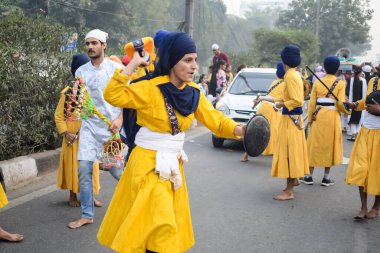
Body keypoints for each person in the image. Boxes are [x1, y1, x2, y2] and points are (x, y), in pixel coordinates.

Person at [97, 32, 245, 253]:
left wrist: (240, 130)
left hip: (173, 166)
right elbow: (113, 94)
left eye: (195, 59)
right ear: (171, 61)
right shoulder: (150, 88)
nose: (194, 66)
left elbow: (216, 120)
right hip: (147, 167)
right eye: (187, 60)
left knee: (152, 228)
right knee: (163, 224)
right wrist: (133, 65)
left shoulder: (194, 93)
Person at [67, 29, 124, 229]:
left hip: (111, 129)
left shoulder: (117, 69)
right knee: (83, 168)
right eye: (88, 44)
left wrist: (120, 118)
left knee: (118, 172)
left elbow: (128, 96)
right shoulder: (81, 71)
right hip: (90, 127)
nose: (90, 47)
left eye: (94, 43)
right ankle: (87, 214)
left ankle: (134, 205)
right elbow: (79, 100)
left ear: (104, 45)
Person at [260, 45, 309, 200]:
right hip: (292, 119)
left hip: (291, 119)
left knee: (289, 152)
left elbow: (296, 100)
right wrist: (269, 99)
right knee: (292, 150)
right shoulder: (295, 74)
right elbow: (285, 97)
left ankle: (288, 191)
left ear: (284, 60)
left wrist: (280, 105)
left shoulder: (290, 76)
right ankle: (294, 180)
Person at [55, 54, 101, 207]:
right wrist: (66, 132)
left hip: (89, 134)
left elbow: (96, 112)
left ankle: (90, 196)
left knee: (91, 166)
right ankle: (72, 195)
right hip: (72, 137)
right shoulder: (67, 92)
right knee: (73, 167)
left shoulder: (90, 90)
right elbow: (58, 116)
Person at [300, 56, 346, 186]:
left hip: (318, 116)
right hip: (332, 117)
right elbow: (341, 105)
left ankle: (308, 176)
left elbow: (312, 103)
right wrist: (347, 110)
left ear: (324, 68)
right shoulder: (341, 84)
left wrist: (309, 119)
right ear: (337, 69)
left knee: (314, 145)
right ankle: (326, 177)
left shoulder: (318, 82)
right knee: (329, 146)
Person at [345, 75, 380, 219]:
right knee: (361, 169)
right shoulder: (373, 81)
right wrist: (354, 105)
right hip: (365, 132)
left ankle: (376, 207)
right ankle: (363, 207)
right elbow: (366, 100)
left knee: (378, 172)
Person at [347, 66, 367, 141]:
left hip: (352, 103)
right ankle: (357, 134)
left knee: (352, 118)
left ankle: (353, 134)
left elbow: (349, 92)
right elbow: (365, 93)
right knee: (359, 118)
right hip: (360, 103)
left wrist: (350, 102)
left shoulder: (351, 80)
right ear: (361, 72)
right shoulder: (364, 81)